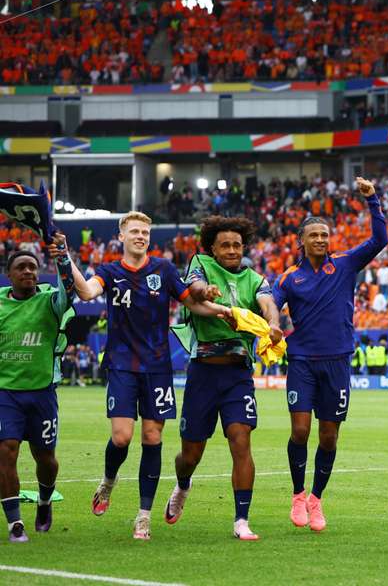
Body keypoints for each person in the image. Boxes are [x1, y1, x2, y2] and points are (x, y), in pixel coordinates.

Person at [66, 212, 232, 540]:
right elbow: (85, 293)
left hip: (157, 367)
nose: (141, 236)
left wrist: (224, 311)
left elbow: (192, 304)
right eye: (135, 232)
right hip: (122, 364)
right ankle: (109, 481)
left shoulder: (164, 270)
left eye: (145, 232)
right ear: (122, 236)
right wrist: (67, 259)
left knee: (152, 438)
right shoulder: (109, 271)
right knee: (122, 437)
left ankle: (143, 516)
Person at [274, 177, 387, 533]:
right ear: (302, 241)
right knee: (300, 430)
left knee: (329, 436)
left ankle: (317, 500)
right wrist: (274, 324)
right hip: (303, 362)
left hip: (338, 362)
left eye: (325, 234)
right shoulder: (289, 278)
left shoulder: (345, 264)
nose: (321, 239)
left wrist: (372, 200)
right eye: (315, 235)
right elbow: (272, 307)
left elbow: (380, 240)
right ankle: (297, 494)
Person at [163, 215, 283, 541]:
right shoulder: (200, 263)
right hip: (203, 372)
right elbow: (196, 289)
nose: (232, 250)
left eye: (237, 245)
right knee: (190, 455)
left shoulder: (255, 279)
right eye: (225, 245)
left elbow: (269, 305)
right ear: (213, 249)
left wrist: (272, 322)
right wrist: (207, 290)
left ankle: (241, 519)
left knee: (241, 440)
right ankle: (183, 484)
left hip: (237, 374)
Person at [0, 236, 74, 543]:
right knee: (6, 451)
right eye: (21, 267)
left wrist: (62, 257)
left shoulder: (50, 301)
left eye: (33, 266)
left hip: (42, 392)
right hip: (6, 393)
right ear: (10, 274)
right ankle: (15, 523)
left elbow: (69, 290)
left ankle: (44, 502)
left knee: (46, 458)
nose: (29, 271)